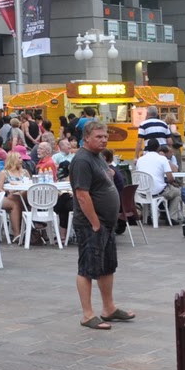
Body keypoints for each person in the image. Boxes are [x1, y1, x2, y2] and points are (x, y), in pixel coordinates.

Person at [71, 119, 134, 330]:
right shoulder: (82, 160)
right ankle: (88, 314)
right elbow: (82, 194)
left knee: (107, 266)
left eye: (105, 136)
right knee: (88, 268)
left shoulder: (97, 157)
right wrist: (95, 223)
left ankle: (109, 308)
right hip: (91, 224)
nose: (103, 140)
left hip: (106, 223)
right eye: (99, 136)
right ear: (86, 137)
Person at [133, 140, 184, 224]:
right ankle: (172, 217)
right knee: (177, 192)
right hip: (159, 192)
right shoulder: (162, 159)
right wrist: (173, 183)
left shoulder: (140, 159)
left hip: (143, 191)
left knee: (151, 191)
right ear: (158, 148)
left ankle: (148, 215)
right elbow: (170, 178)